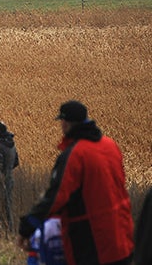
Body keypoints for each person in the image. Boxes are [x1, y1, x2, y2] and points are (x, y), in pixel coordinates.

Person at [18, 101, 133, 265]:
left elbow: (56, 197)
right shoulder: (110, 145)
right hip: (122, 235)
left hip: (93, 242)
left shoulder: (75, 155)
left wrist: (27, 226)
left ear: (65, 123)